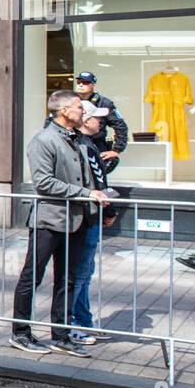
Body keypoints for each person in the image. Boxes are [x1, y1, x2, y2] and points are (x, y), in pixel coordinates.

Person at [11, 90, 109, 357]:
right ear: (64, 111)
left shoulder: (77, 140)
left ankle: (61, 336)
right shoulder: (44, 140)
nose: (82, 111)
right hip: (49, 221)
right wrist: (86, 193)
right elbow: (43, 183)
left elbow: (85, 178)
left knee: (67, 279)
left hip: (76, 221)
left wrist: (98, 194)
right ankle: (20, 333)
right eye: (79, 107)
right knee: (32, 278)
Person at [68, 101, 120, 344]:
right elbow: (97, 183)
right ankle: (73, 323)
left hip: (92, 213)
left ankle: (83, 319)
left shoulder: (89, 144)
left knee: (85, 271)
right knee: (80, 271)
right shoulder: (82, 146)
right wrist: (110, 209)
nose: (100, 122)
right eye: (96, 118)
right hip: (87, 215)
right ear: (85, 120)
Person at [45, 72, 129, 174]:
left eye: (85, 83)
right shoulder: (67, 101)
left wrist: (116, 150)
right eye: (79, 82)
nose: (81, 85)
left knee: (104, 168)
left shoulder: (104, 103)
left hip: (96, 144)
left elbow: (120, 126)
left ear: (93, 85)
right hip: (72, 143)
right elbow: (51, 123)